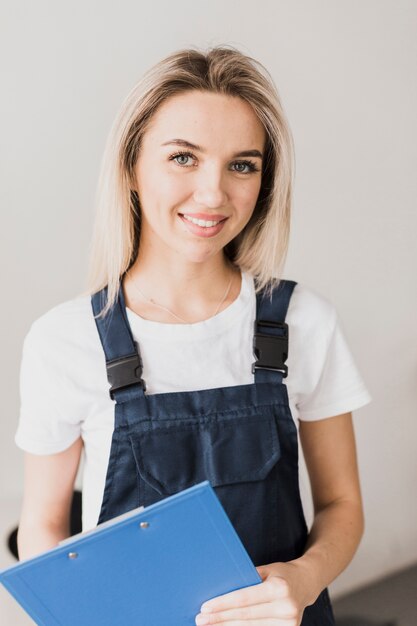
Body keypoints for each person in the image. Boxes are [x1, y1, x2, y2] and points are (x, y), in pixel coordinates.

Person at [15, 45, 371, 626]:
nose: (212, 194)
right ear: (132, 167)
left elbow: (343, 505)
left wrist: (304, 579)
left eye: (242, 164)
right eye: (183, 157)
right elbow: (45, 529)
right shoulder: (65, 340)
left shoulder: (304, 321)